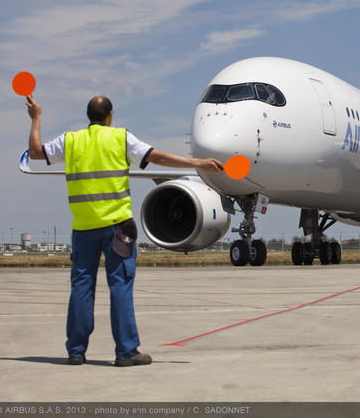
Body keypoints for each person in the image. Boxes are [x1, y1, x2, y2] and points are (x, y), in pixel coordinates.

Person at [26, 95, 224, 366]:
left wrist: (36, 118)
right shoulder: (121, 138)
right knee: (120, 286)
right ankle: (126, 351)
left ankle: (75, 351)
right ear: (110, 115)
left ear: (89, 116)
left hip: (83, 228)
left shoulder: (70, 141)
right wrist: (198, 163)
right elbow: (156, 158)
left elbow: (36, 153)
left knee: (81, 287)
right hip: (117, 228)